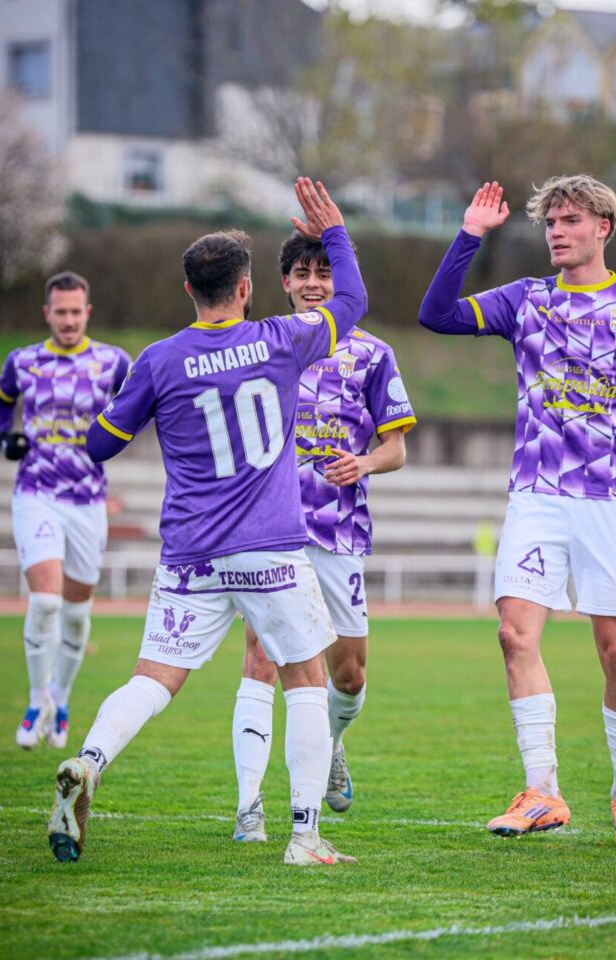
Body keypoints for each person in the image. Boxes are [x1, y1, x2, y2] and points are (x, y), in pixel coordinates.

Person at [46, 178, 368, 867]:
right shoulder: (282, 339)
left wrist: (126, 400)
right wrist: (334, 231)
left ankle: (89, 760)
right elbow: (353, 302)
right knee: (306, 676)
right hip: (272, 548)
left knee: (153, 677)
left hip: (191, 552)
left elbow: (100, 445)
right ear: (247, 288)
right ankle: (306, 836)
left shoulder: (160, 360)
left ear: (190, 291)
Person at [418, 176, 616, 849]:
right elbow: (437, 314)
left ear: (604, 226)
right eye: (550, 222)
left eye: (570, 220)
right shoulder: (527, 299)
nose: (556, 232)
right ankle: (542, 790)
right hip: (537, 497)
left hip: (611, 501)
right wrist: (469, 236)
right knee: (515, 635)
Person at [233, 232, 416, 842]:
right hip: (269, 529)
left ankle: (333, 741)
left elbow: (396, 450)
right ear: (283, 282)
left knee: (350, 676)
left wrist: (363, 464)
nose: (313, 282)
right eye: (301, 273)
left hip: (339, 531)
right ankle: (249, 807)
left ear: (341, 282)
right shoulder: (255, 347)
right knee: (261, 659)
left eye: (323, 272)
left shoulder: (372, 355)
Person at [0, 273, 131, 750]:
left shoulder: (113, 362)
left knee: (74, 615)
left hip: (88, 501)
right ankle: (36, 701)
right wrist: (4, 436)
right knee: (45, 602)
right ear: (46, 313)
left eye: (76, 311)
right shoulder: (23, 361)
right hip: (36, 492)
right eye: (60, 311)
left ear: (87, 313)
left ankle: (62, 699)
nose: (68, 320)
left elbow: (137, 408)